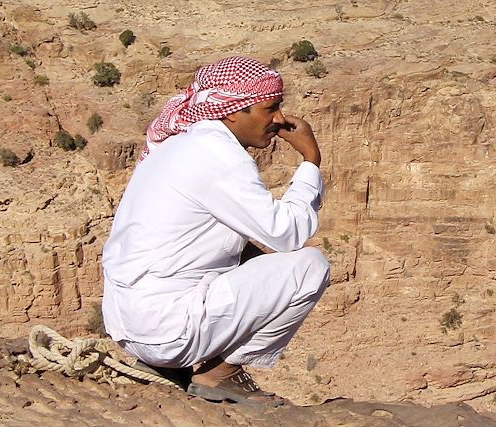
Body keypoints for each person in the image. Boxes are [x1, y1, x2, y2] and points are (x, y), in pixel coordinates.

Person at [101, 56, 330, 406]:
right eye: (270, 108)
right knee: (310, 267)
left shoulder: (182, 142)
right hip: (163, 330)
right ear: (233, 112)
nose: (280, 119)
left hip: (131, 325)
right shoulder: (218, 157)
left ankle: (172, 366)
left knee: (256, 259)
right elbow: (288, 234)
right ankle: (219, 374)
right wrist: (311, 161)